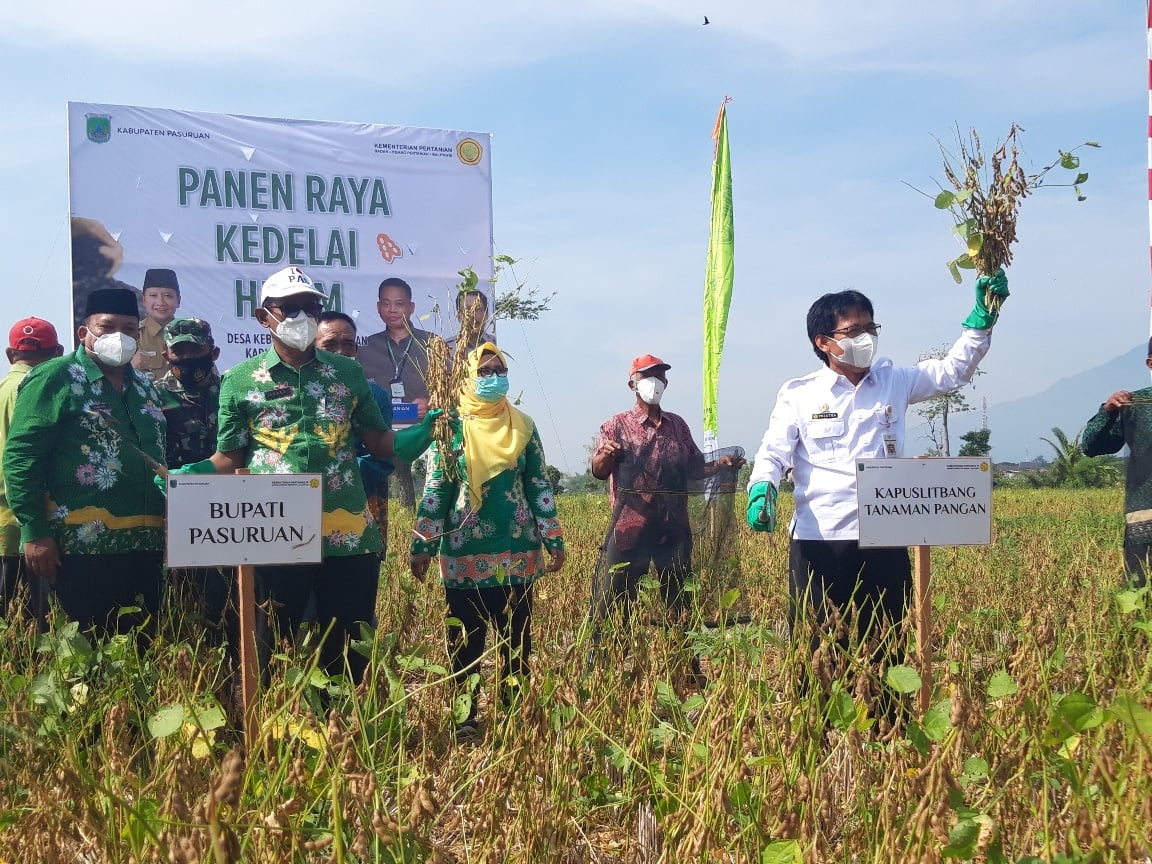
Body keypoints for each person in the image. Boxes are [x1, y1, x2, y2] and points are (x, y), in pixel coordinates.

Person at [164, 266, 440, 684]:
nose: (301, 317)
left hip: (346, 534)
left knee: (348, 651)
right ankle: (276, 733)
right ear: (263, 317)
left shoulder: (347, 374)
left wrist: (414, 437)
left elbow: (378, 440)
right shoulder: (241, 381)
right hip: (275, 533)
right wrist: (188, 474)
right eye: (289, 308)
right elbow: (230, 456)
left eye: (310, 307)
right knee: (273, 646)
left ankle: (343, 734)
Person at [745, 273, 1009, 666]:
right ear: (823, 341)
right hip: (821, 540)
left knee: (888, 645)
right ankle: (816, 726)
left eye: (871, 328)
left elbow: (952, 372)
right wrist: (761, 486)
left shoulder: (894, 381)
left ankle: (892, 722)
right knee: (818, 649)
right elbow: (773, 450)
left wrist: (980, 323)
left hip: (885, 535)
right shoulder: (799, 394)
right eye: (853, 330)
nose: (865, 338)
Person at [410, 343, 565, 737]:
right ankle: (465, 719)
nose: (493, 377)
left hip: (517, 551)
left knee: (517, 641)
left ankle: (515, 715)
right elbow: (437, 489)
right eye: (484, 371)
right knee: (465, 640)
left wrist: (553, 537)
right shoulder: (450, 430)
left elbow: (537, 484)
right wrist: (422, 543)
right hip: (465, 553)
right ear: (467, 377)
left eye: (499, 369)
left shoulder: (524, 427)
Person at [4, 288, 167, 636]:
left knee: (140, 656)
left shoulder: (146, 388)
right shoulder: (55, 377)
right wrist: (34, 531)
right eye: (107, 327)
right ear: (84, 332)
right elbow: (21, 457)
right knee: (81, 659)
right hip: (74, 549)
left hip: (144, 548)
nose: (118, 337)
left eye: (129, 329)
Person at [590, 354, 744, 625]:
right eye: (647, 376)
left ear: (666, 383)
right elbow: (599, 471)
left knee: (679, 599)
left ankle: (685, 662)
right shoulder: (615, 426)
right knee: (616, 601)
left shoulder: (677, 426)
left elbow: (695, 468)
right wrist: (606, 454)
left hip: (672, 529)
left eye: (659, 376)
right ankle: (608, 659)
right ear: (632, 385)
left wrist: (720, 465)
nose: (654, 382)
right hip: (629, 529)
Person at [0, 318, 64, 620]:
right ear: (59, 353)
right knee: (36, 625)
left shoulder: (2, 388)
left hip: (5, 526)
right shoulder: (36, 391)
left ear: (11, 354)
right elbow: (24, 462)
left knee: (9, 628)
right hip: (29, 528)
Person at [316, 310, 394, 554]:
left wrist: (335, 479)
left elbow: (380, 457)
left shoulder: (374, 395)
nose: (341, 351)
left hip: (362, 508)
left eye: (348, 344)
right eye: (330, 344)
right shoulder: (302, 394)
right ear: (312, 348)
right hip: (305, 512)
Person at [1080, 337, 1152, 588]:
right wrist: (1108, 412)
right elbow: (1090, 446)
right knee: (1137, 594)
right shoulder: (1134, 406)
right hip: (1145, 518)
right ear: (1150, 363)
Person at [360, 277, 435, 509]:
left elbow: (452, 389)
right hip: (379, 438)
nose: (392, 310)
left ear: (411, 307)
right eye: (386, 303)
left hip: (422, 434)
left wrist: (431, 402)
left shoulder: (433, 344)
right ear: (378, 307)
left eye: (399, 304)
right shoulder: (364, 347)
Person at [134, 268, 182, 379]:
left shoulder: (192, 334)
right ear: (144, 299)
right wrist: (131, 367)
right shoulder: (133, 335)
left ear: (178, 301)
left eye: (168, 296)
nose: (160, 302)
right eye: (153, 295)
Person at [448, 289, 496, 357]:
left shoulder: (496, 344)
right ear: (459, 316)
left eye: (478, 309)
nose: (472, 315)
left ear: (486, 315)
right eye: (467, 310)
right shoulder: (447, 348)